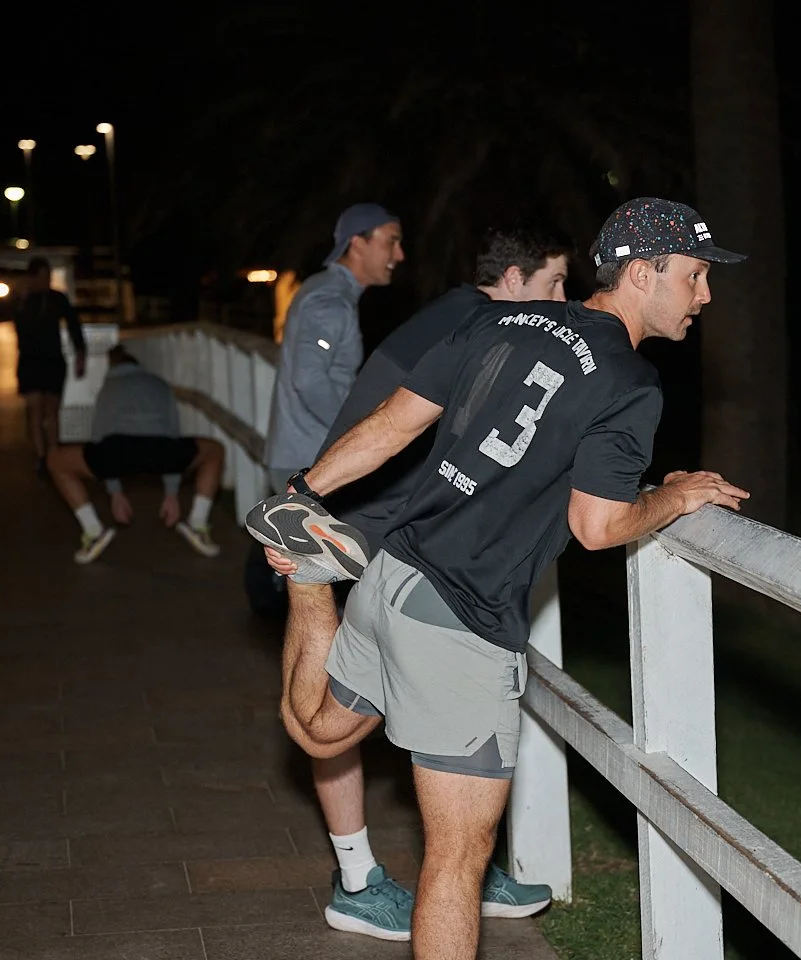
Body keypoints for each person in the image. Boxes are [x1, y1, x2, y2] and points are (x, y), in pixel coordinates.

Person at [250, 197, 750, 958]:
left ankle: (311, 580)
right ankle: (312, 577)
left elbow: (393, 424)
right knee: (455, 861)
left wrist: (301, 497)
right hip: (462, 626)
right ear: (644, 274)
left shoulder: (500, 320)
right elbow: (599, 526)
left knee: (318, 731)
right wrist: (672, 496)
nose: (704, 297)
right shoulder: (628, 382)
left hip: (395, 577)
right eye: (695, 276)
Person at [261, 224, 573, 942]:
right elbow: (394, 422)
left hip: (373, 517)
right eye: (556, 283)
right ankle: (360, 878)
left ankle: (462, 857)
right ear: (517, 279)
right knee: (342, 703)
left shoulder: (460, 316)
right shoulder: (479, 323)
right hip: (366, 522)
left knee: (368, 700)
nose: (567, 300)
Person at [265, 202, 404, 493]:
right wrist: (355, 433)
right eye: (391, 242)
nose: (399, 255)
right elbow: (308, 378)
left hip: (305, 457)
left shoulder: (327, 290)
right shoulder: (329, 300)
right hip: (309, 462)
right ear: (357, 243)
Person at [47, 345, 225, 564]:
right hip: (161, 451)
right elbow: (173, 432)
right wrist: (171, 494)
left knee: (56, 461)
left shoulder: (108, 388)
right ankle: (198, 523)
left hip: (118, 451)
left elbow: (99, 436)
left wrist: (115, 493)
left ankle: (93, 531)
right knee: (214, 450)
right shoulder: (160, 385)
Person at [13, 257, 86, 478]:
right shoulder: (22, 301)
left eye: (48, 276)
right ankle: (41, 457)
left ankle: (54, 454)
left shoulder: (57, 299)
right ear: (32, 277)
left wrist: (81, 352)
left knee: (52, 412)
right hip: (30, 361)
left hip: (53, 360)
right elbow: (19, 329)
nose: (45, 281)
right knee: (35, 411)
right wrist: (21, 303)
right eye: (41, 277)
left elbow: (74, 324)